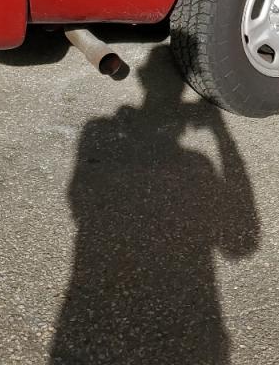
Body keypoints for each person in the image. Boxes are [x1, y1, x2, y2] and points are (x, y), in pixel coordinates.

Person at [50, 49, 259, 364]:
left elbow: (78, 200)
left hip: (90, 309)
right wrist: (220, 132)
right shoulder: (197, 163)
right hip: (190, 329)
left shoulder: (99, 131)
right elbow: (240, 245)